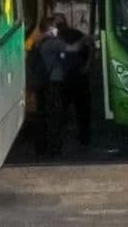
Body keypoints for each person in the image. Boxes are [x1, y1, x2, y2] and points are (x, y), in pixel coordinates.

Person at [30, 16, 86, 155]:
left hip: (43, 83)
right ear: (49, 29)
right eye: (55, 27)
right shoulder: (52, 43)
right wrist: (85, 39)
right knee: (56, 116)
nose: (57, 30)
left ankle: (42, 147)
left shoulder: (38, 42)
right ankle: (54, 148)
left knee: (45, 115)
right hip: (53, 84)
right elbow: (74, 48)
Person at [54, 13, 93, 146]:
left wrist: (87, 66)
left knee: (68, 111)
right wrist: (87, 66)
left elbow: (88, 48)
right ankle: (83, 139)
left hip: (71, 78)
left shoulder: (58, 38)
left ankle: (65, 140)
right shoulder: (72, 35)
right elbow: (88, 47)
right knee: (80, 111)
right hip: (72, 78)